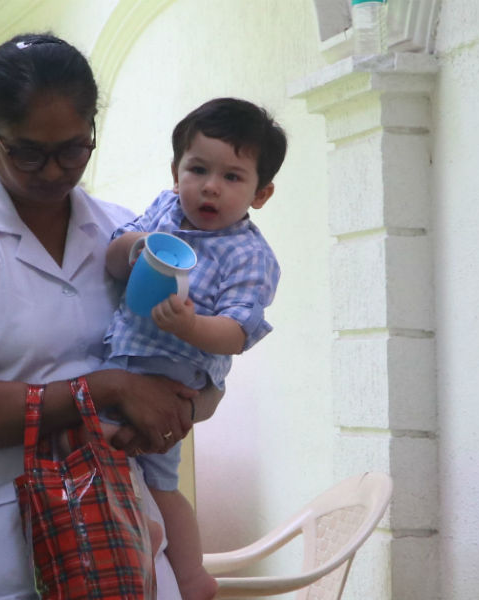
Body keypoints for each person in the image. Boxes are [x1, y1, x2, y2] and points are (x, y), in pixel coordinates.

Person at [0, 33, 223, 600]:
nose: (53, 172)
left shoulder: (123, 233)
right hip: (6, 541)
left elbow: (183, 362)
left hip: (124, 525)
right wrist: (110, 388)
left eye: (73, 149)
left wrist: (184, 403)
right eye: (28, 152)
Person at [102, 97, 287, 600]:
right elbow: (115, 252)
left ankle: (190, 577)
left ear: (261, 193)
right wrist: (136, 247)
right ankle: (142, 545)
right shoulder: (165, 209)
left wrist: (190, 325)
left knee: (155, 477)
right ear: (175, 170)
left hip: (174, 377)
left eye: (232, 177)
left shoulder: (249, 254)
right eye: (198, 169)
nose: (210, 186)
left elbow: (237, 331)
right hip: (123, 357)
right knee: (126, 467)